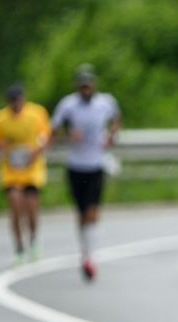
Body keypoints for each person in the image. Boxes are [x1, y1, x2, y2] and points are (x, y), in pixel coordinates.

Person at [51, 64, 122, 282]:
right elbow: (53, 131)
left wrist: (112, 136)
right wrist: (68, 137)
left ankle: (91, 257)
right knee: (81, 213)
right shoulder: (68, 105)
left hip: (96, 164)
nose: (86, 89)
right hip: (75, 164)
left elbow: (117, 119)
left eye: (88, 85)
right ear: (77, 87)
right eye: (82, 86)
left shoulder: (105, 102)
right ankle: (85, 250)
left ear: (94, 85)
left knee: (93, 210)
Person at [0, 83, 50, 266]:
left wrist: (36, 152)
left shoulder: (36, 114)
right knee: (16, 206)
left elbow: (47, 137)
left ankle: (33, 239)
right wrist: (3, 145)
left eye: (18, 100)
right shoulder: (0, 119)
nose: (16, 105)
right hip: (12, 172)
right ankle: (19, 248)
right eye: (12, 102)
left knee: (31, 210)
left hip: (32, 170)